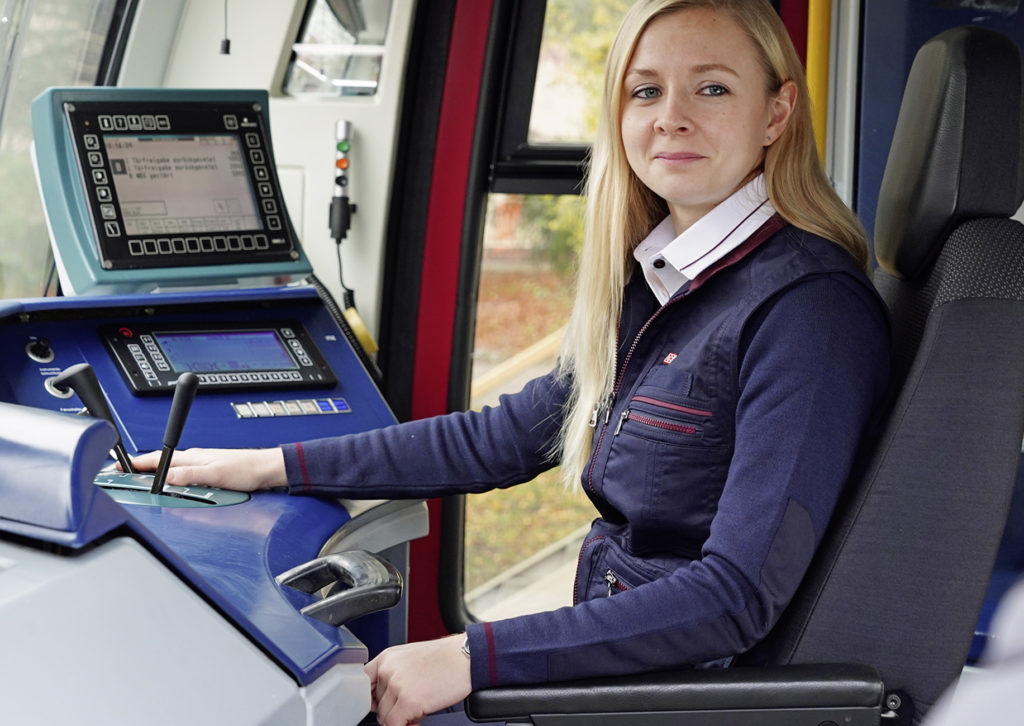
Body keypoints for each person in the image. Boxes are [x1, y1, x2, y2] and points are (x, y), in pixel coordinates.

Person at [131, 1, 890, 724]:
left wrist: (471, 654)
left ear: (776, 113)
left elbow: (735, 595)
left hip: (678, 696)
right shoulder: (662, 280)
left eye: (712, 88)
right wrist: (269, 465)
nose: (671, 118)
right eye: (645, 91)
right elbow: (502, 437)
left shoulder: (806, 311)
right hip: (624, 671)